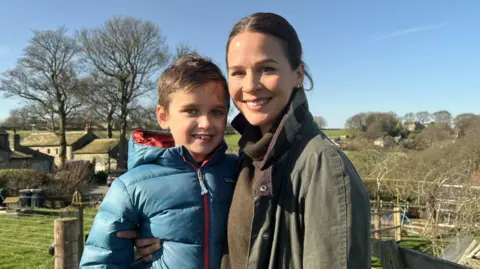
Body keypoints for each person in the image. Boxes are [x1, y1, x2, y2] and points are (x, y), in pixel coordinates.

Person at [121, 12, 372, 269]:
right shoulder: (248, 158)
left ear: (297, 74)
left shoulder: (323, 166)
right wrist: (162, 233)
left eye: (267, 69)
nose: (250, 85)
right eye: (238, 72)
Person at [79, 54, 238, 269]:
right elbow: (100, 262)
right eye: (191, 110)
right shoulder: (131, 186)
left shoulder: (239, 171)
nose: (206, 123)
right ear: (163, 116)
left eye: (216, 112)